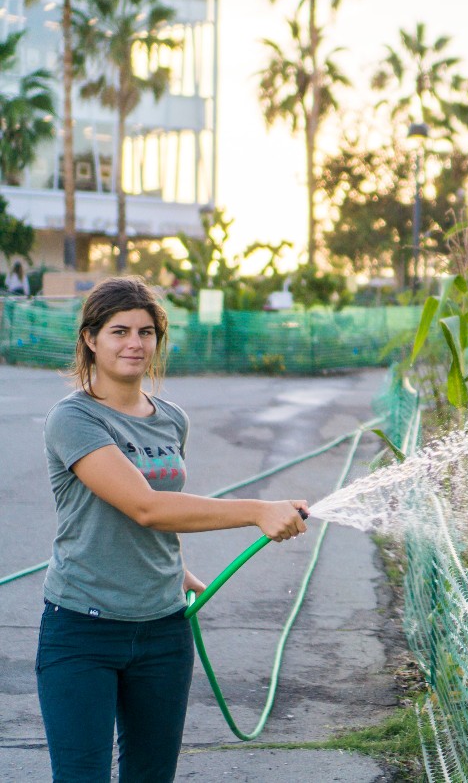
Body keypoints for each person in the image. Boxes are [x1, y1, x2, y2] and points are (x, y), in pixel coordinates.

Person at [36, 276, 308, 782]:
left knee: (151, 775)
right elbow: (146, 507)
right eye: (119, 331)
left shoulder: (172, 419)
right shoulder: (73, 419)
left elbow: (156, 516)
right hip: (82, 628)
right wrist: (256, 511)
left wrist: (171, 566)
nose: (134, 344)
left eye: (146, 331)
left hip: (163, 630)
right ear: (91, 340)